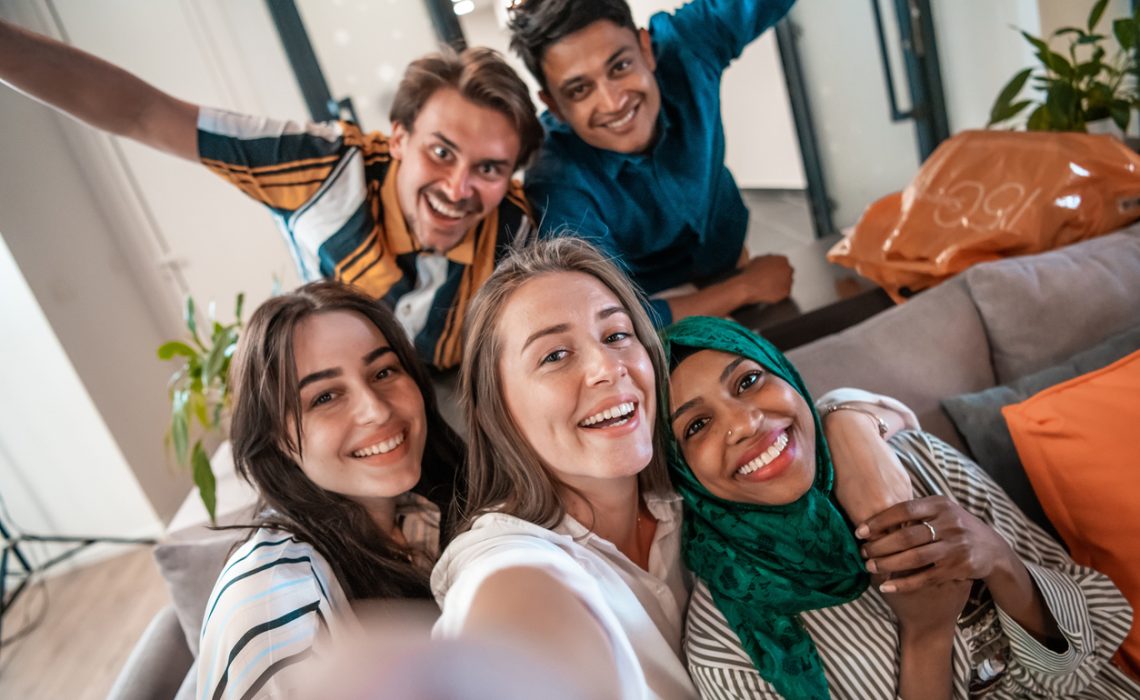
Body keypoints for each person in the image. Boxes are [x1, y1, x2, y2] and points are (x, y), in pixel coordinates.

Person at [430, 237, 914, 698]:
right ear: (499, 412)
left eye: (617, 334)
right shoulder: (506, 558)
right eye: (555, 355)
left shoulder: (694, 486)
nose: (607, 366)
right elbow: (504, 608)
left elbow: (803, 419)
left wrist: (847, 424)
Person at [0, 20, 543, 370]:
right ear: (399, 137)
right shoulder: (321, 165)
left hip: (443, 391)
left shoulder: (515, 229)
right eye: (441, 152)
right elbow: (144, 113)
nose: (457, 188)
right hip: (326, 372)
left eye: (489, 168)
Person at [662, 315, 1140, 699]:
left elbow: (1093, 643)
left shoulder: (916, 461)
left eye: (748, 381)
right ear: (680, 472)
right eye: (697, 425)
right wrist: (926, 637)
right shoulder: (726, 649)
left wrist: (996, 556)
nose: (745, 422)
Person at [197, 280, 465, 699]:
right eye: (325, 397)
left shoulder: (421, 513)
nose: (376, 410)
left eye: (384, 371)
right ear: (274, 439)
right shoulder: (272, 601)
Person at [508, 0, 796, 325]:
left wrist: (740, 284)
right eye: (579, 90)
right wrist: (744, 289)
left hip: (731, 260)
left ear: (646, 49)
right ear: (554, 105)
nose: (613, 102)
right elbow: (601, 315)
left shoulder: (685, 47)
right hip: (649, 311)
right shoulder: (555, 181)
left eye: (619, 67)